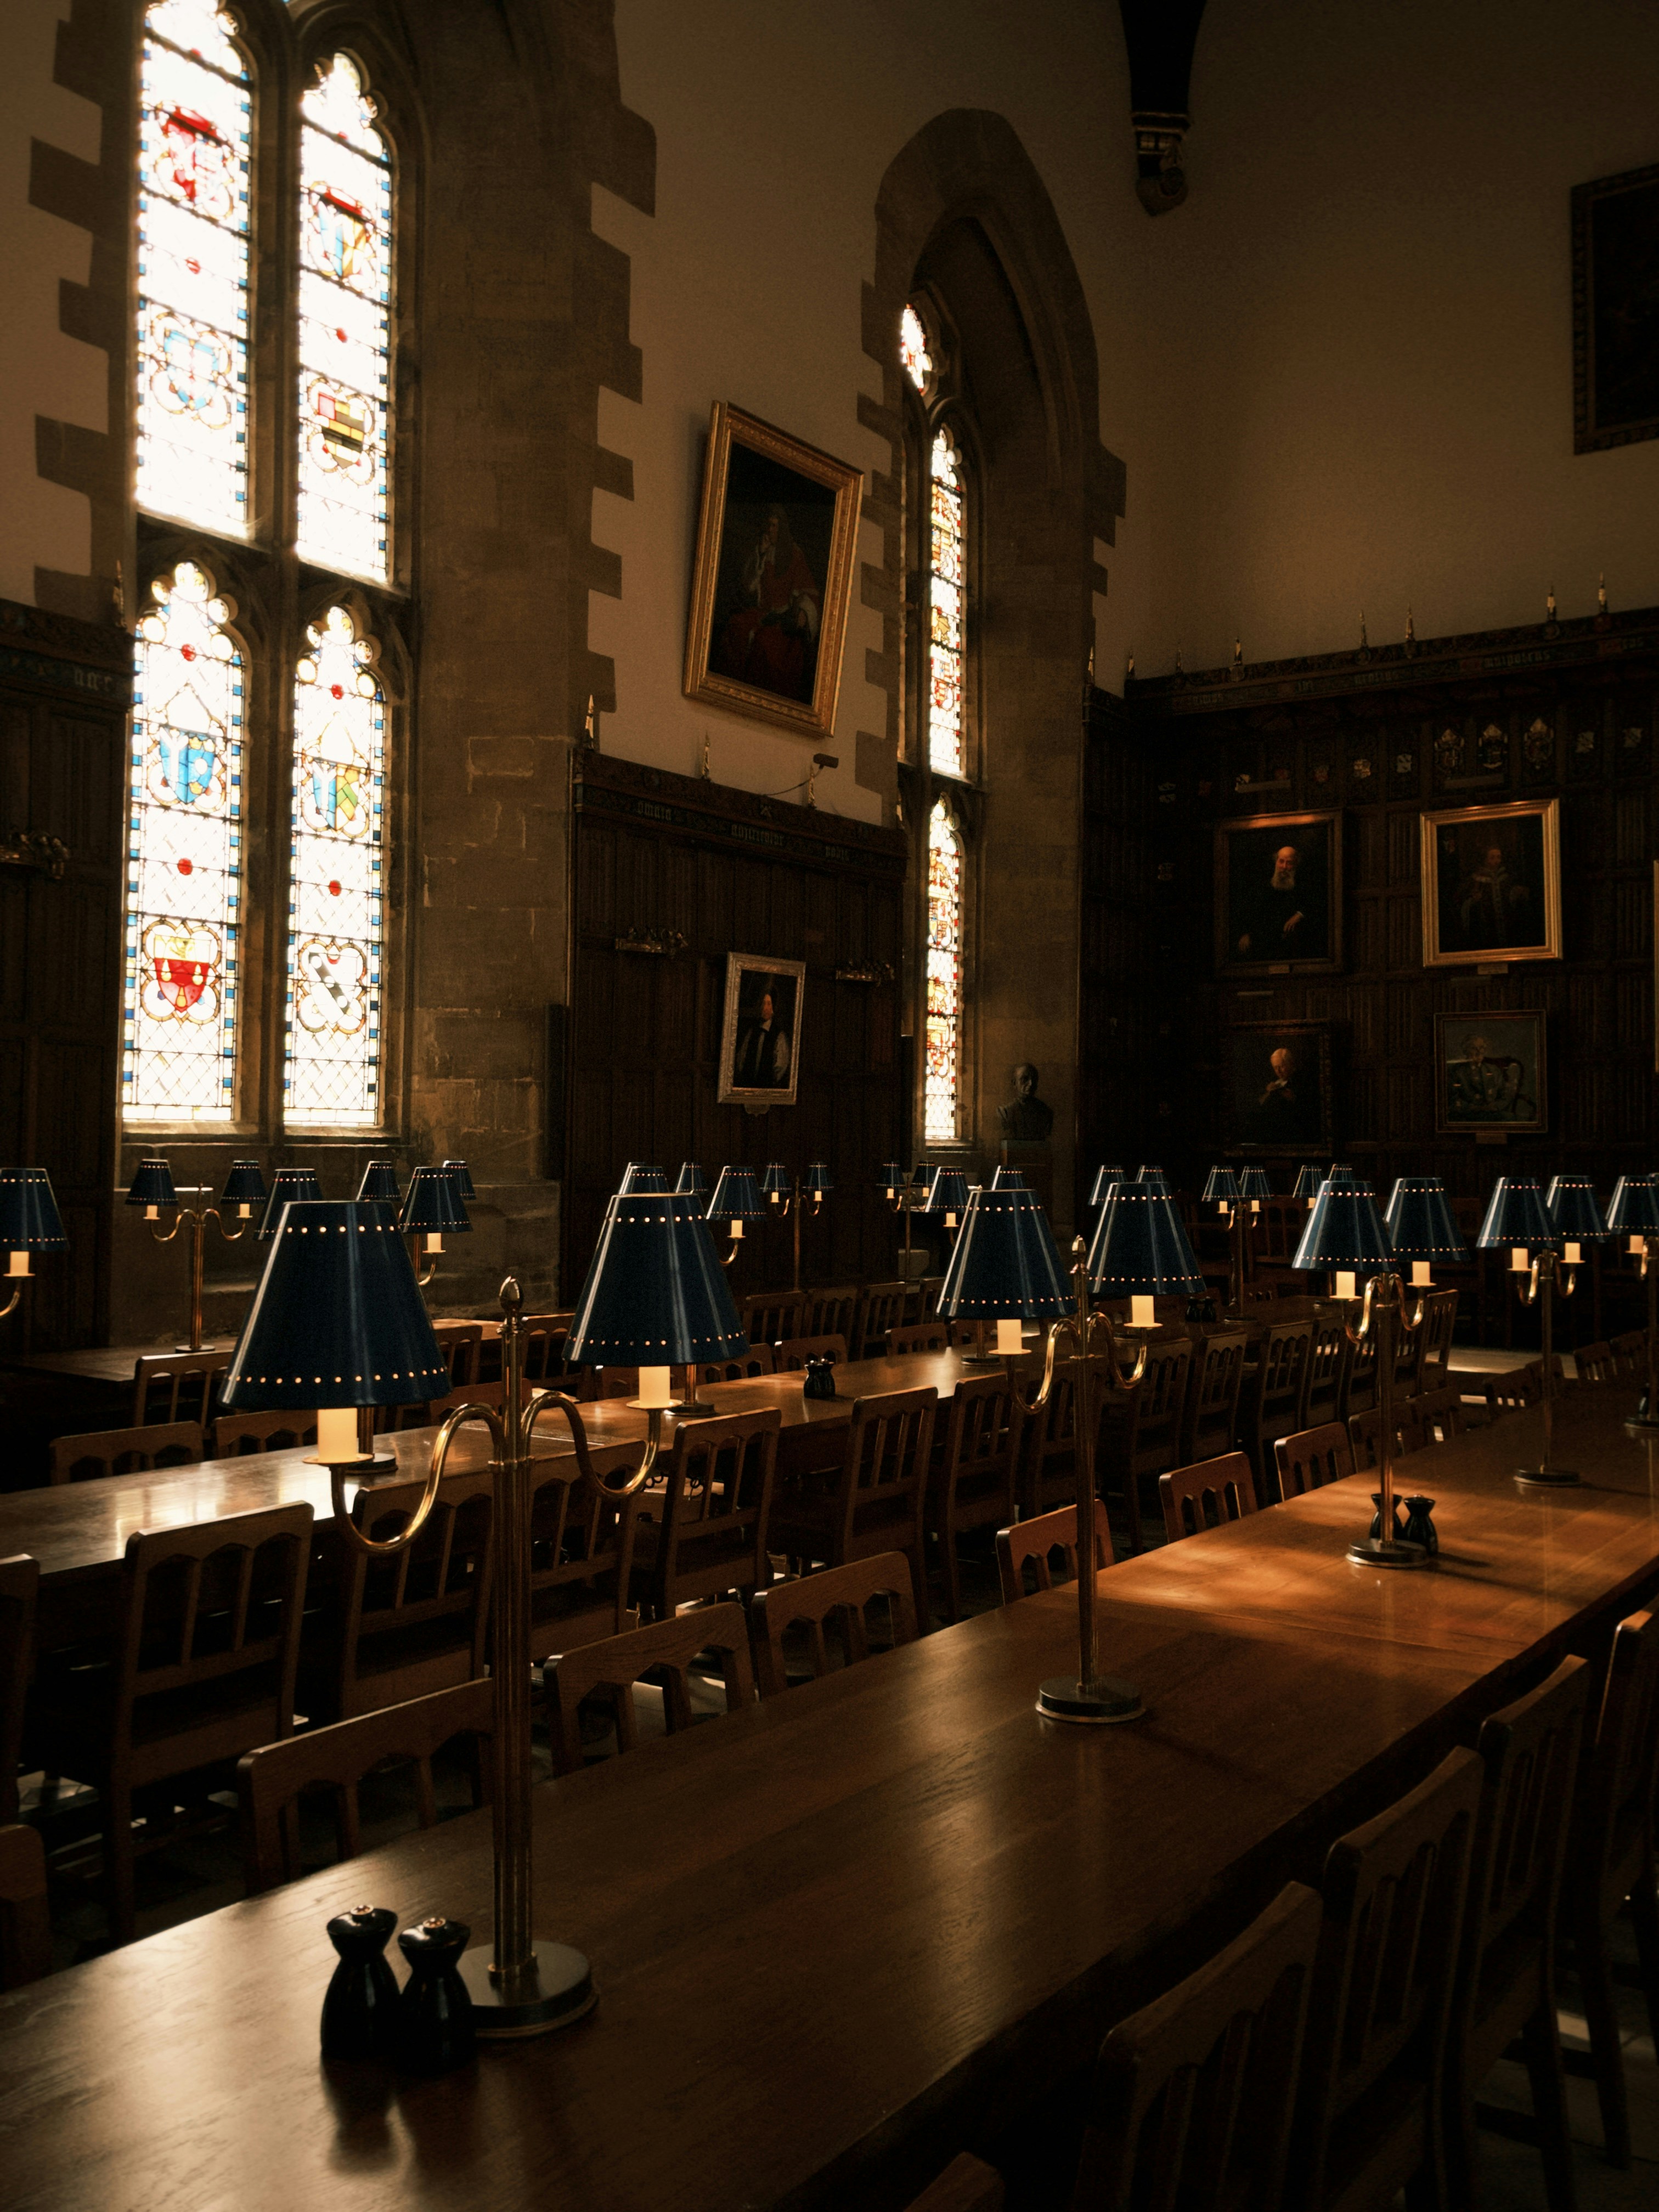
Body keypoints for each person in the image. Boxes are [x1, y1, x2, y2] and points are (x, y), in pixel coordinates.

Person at [714, 506, 822, 702]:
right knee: (735, 626)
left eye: (774, 526)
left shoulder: (795, 554)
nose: (770, 530)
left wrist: (804, 614)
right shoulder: (763, 549)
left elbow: (809, 592)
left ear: (782, 529)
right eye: (769, 525)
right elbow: (749, 586)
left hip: (782, 617)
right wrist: (761, 555)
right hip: (762, 611)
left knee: (764, 646)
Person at [1233, 838, 1327, 962]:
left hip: (1294, 944)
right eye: (1281, 862)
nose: (1284, 867)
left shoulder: (1305, 883)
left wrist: (1300, 915)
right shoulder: (1263, 884)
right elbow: (1252, 911)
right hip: (1265, 942)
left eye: (1289, 863)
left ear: (1296, 864)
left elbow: (1316, 904)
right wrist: (1246, 933)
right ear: (1276, 861)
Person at [1456, 843, 1532, 950]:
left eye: (1499, 857)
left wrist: (1517, 893)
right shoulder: (1475, 880)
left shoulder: (1506, 878)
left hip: (1506, 926)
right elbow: (1461, 903)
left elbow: (1512, 899)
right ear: (1485, 860)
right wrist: (1473, 901)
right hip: (1485, 927)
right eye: (1492, 858)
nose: (1497, 861)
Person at [733, 981, 792, 1088]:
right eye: (763, 1003)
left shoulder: (779, 1036)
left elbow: (780, 1067)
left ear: (773, 1008)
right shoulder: (752, 1032)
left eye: (769, 1004)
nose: (765, 1008)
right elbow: (741, 1059)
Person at [997, 1064, 1054, 1142]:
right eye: (1025, 1079)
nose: (1031, 1084)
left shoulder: (1046, 1113)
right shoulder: (1005, 1112)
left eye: (1034, 1079)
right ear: (1014, 1083)